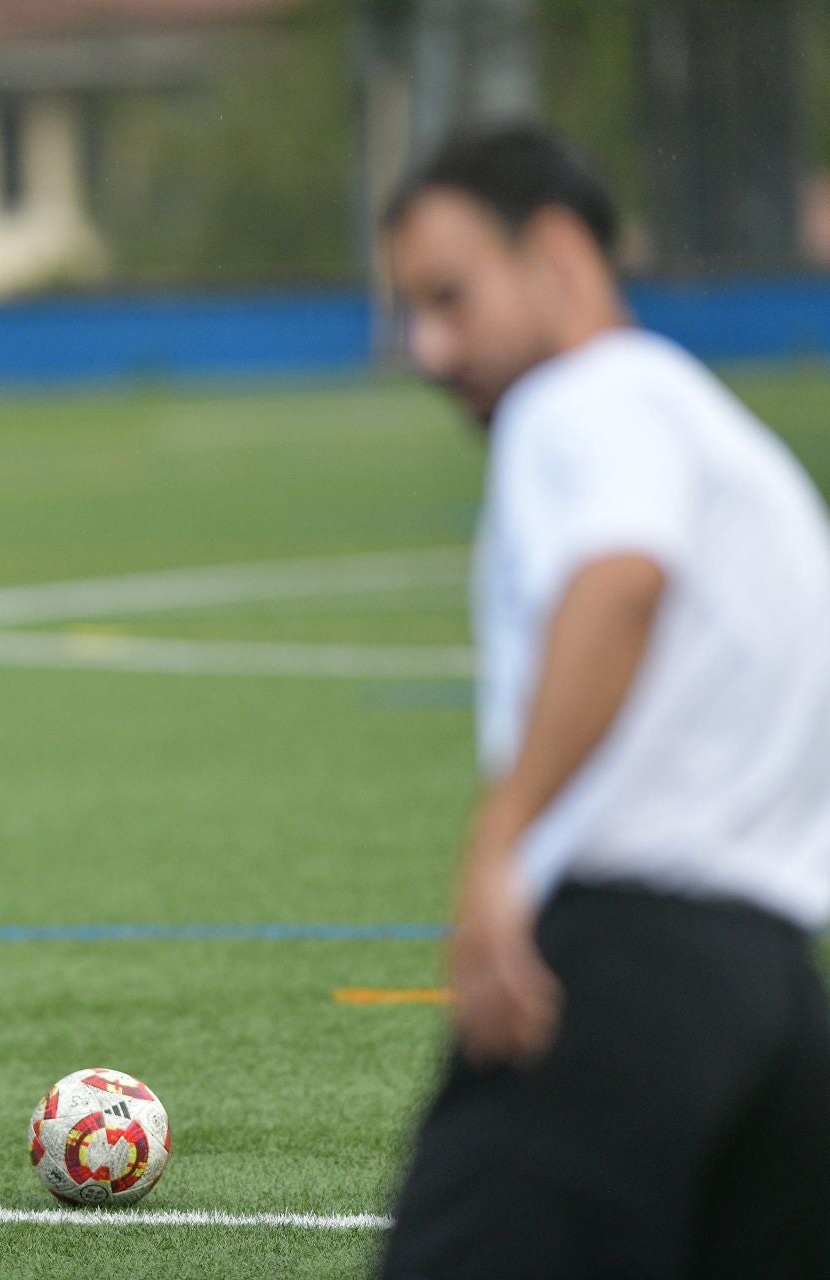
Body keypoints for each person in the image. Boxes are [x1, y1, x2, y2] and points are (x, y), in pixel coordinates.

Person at [379, 123, 830, 1278]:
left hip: (620, 970)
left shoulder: (579, 401)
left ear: (560, 258)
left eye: (450, 297)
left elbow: (622, 575)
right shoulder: (723, 436)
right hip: (779, 995)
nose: (429, 348)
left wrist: (502, 842)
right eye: (412, 311)